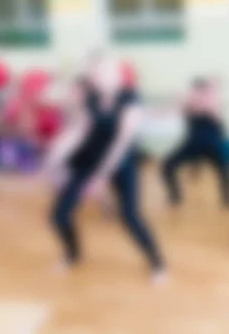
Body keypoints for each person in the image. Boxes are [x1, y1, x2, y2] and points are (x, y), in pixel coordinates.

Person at [43, 55, 165, 283]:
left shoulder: (131, 100)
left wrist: (100, 177)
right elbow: (80, 130)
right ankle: (72, 255)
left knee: (130, 216)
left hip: (120, 163)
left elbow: (121, 144)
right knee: (58, 216)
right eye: (97, 75)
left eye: (106, 73)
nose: (101, 79)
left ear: (119, 76)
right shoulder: (92, 99)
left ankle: (157, 263)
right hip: (89, 159)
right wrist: (56, 155)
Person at [161, 77, 229, 207]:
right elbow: (172, 111)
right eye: (195, 92)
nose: (198, 95)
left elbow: (217, 116)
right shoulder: (188, 104)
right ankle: (175, 196)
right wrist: (177, 100)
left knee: (226, 170)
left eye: (202, 92)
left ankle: (228, 198)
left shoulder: (213, 105)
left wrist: (208, 101)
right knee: (167, 166)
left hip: (212, 146)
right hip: (192, 145)